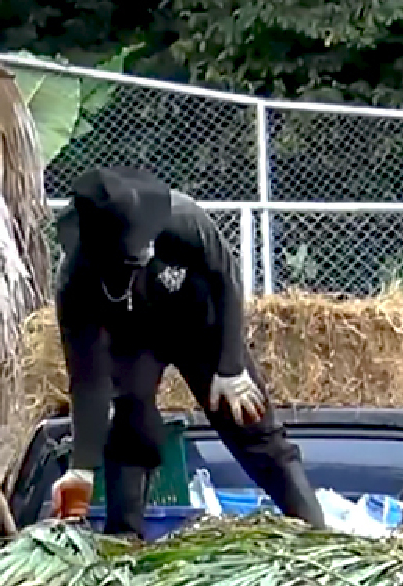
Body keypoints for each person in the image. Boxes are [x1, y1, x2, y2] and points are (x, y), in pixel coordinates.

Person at [48, 166, 325, 538]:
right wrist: (81, 467)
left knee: (249, 420)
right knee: (129, 422)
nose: (146, 248)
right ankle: (124, 543)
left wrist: (231, 368)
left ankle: (316, 532)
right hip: (133, 339)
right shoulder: (75, 280)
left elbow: (226, 278)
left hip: (199, 325)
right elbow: (87, 378)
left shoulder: (182, 218)